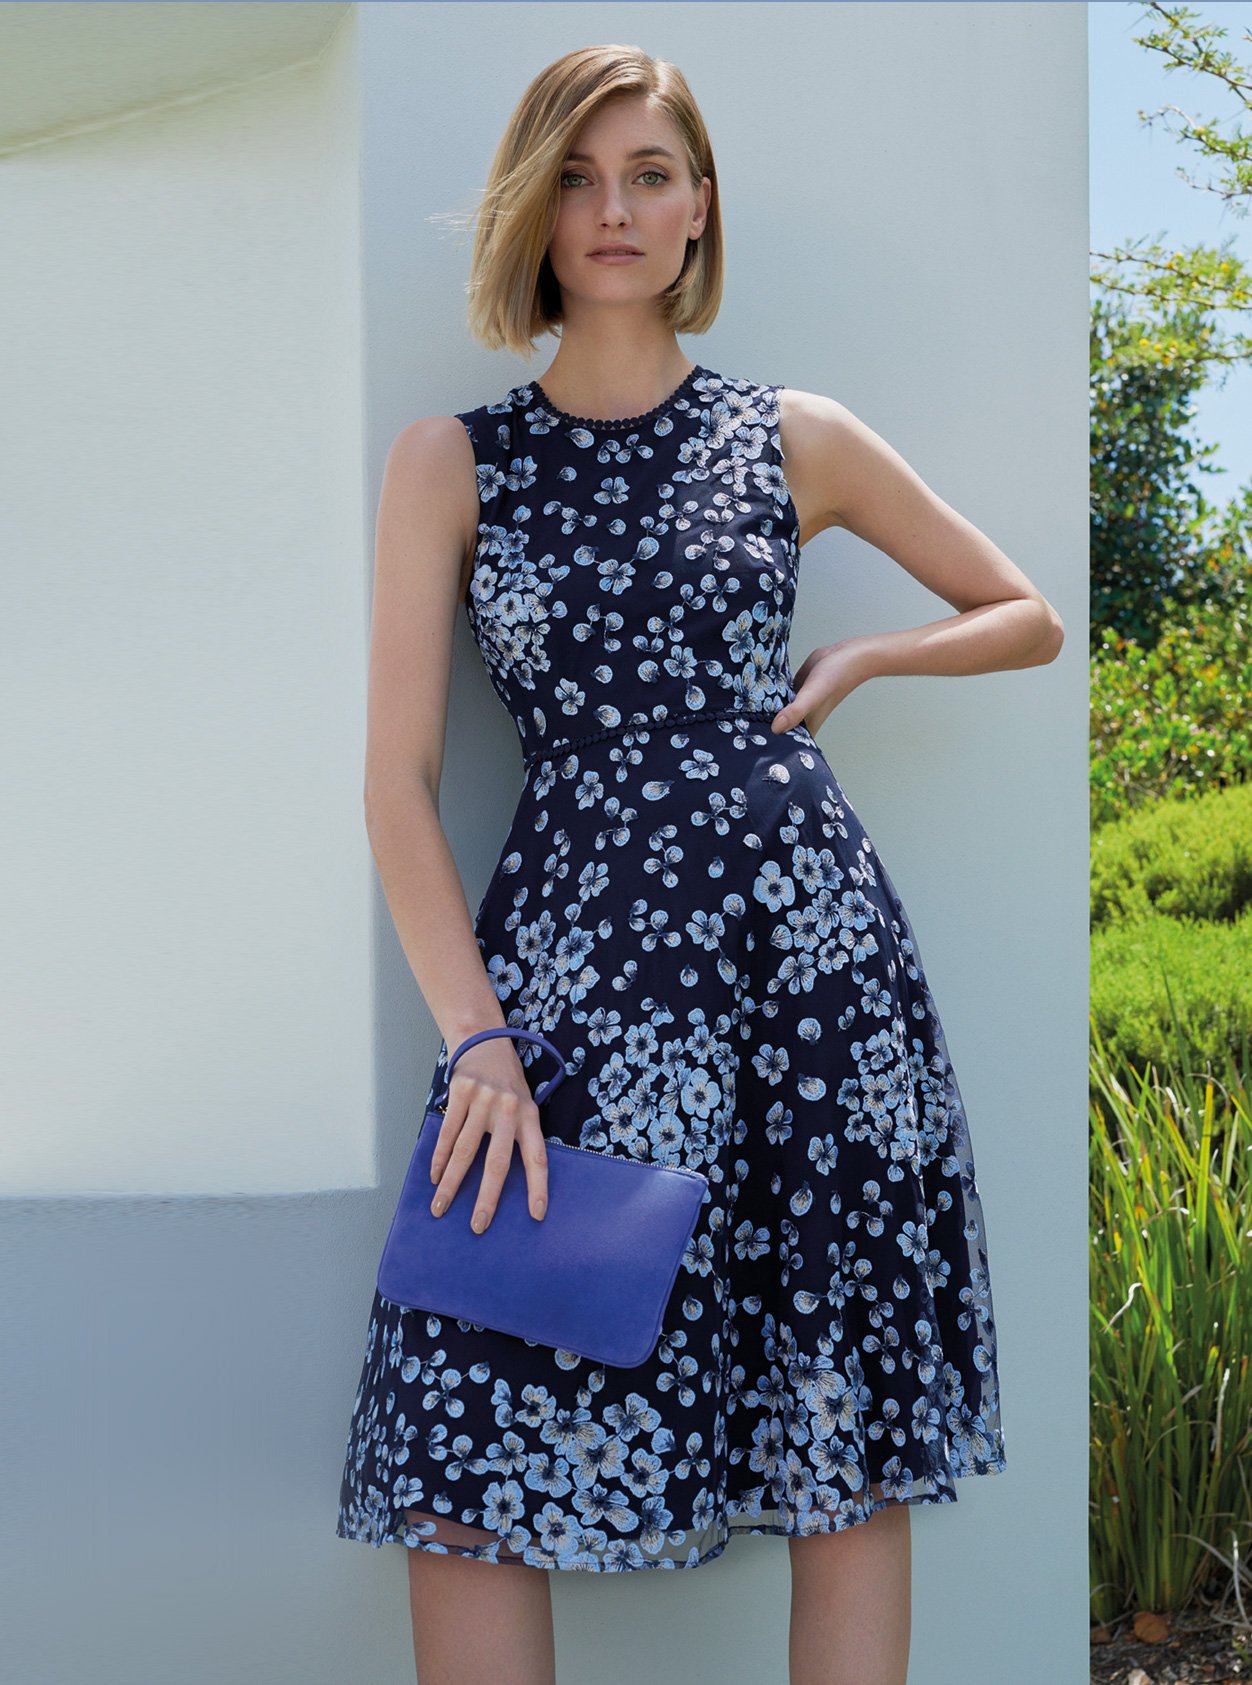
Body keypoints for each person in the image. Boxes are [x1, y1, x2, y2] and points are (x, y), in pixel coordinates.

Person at [337, 42, 1062, 1685]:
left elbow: (1023, 611)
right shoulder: (451, 462)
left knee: (840, 1420)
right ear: (533, 207)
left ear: (699, 211)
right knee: (469, 1429)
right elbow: (395, 782)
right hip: (571, 1006)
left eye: (649, 174)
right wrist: (481, 1040)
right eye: (579, 175)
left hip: (806, 978)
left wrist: (867, 663)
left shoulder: (789, 434)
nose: (614, 208)